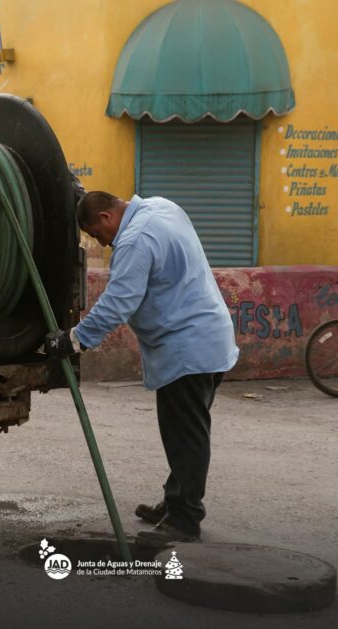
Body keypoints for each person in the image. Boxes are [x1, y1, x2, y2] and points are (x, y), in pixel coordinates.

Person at [45, 191, 239, 547]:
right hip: (209, 337)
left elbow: (119, 302)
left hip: (188, 348)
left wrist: (74, 340)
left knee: (186, 435)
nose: (102, 243)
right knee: (187, 431)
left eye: (98, 235)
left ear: (106, 217)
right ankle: (176, 500)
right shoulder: (163, 206)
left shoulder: (135, 240)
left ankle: (185, 519)